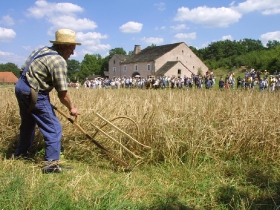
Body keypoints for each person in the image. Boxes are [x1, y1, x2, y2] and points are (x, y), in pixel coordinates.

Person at [14, 29, 81, 173]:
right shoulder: (59, 61)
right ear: (63, 46)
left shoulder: (41, 50)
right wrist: (72, 108)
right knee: (54, 128)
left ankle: (20, 155)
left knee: (28, 123)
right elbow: (62, 94)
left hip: (21, 87)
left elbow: (24, 70)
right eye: (71, 49)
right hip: (34, 92)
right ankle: (51, 166)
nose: (73, 53)